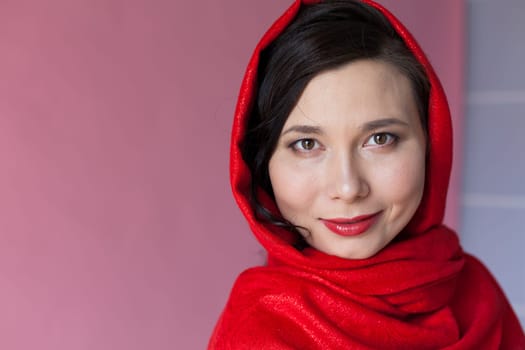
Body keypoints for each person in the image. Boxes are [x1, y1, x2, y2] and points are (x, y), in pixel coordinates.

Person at [209, 0, 525, 348]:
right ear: (262, 164)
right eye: (307, 145)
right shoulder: (258, 330)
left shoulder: (476, 292)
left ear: (431, 143)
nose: (348, 187)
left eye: (380, 139)